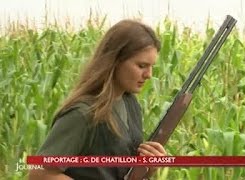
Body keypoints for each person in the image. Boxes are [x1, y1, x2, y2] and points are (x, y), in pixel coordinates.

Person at [29, 19, 166, 180]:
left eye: (151, 66)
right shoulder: (82, 114)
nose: (149, 74)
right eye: (142, 66)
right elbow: (40, 173)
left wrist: (148, 167)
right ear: (115, 61)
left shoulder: (130, 103)